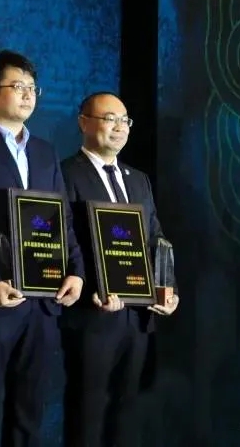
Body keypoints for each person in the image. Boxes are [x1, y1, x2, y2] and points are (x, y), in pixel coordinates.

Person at [0, 49, 85, 447]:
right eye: (17, 86)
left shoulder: (45, 152)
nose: (28, 94)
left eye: (32, 88)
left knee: (29, 411)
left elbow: (62, 218)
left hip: (43, 301)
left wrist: (76, 270)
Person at [60, 92, 179, 447]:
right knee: (88, 414)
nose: (119, 127)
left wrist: (167, 287)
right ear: (83, 122)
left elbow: (156, 237)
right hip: (93, 316)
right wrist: (92, 287)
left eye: (124, 120)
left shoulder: (138, 179)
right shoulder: (64, 174)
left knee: (127, 415)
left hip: (138, 316)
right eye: (109, 118)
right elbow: (64, 239)